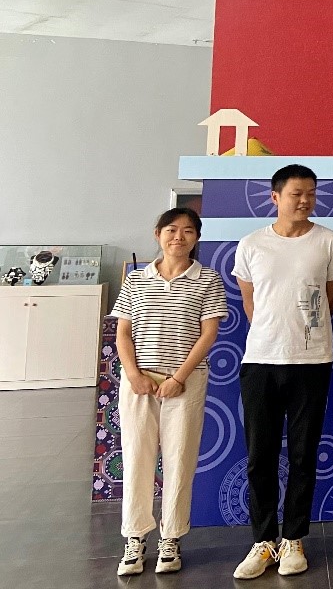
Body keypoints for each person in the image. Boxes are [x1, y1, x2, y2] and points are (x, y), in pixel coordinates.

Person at [232, 164, 333, 579]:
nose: (305, 200)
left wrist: (302, 334)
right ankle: (263, 541)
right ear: (275, 197)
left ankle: (293, 538)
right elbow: (251, 302)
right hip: (260, 360)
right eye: (297, 193)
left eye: (311, 193)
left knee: (303, 454)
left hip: (311, 362)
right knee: (259, 456)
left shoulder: (329, 241)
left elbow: (330, 299)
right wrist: (273, 333)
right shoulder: (251, 245)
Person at [112, 208, 227, 576]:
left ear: (197, 238)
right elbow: (123, 333)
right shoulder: (136, 279)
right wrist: (133, 375)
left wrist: (178, 377)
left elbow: (208, 334)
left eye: (188, 231)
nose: (179, 237)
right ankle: (134, 538)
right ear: (157, 233)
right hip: (139, 383)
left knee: (180, 459)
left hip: (186, 382)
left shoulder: (208, 279)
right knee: (137, 458)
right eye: (172, 230)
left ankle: (171, 538)